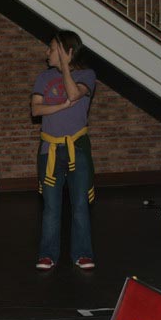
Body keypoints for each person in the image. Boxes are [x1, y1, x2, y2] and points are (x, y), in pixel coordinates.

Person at [30, 30, 97, 271]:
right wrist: (62, 106)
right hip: (50, 148)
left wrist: (66, 68)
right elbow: (35, 110)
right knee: (51, 206)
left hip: (76, 146)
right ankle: (47, 254)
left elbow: (74, 93)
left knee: (79, 203)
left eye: (52, 49)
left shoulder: (87, 75)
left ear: (67, 51)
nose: (47, 53)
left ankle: (83, 253)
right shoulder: (43, 78)